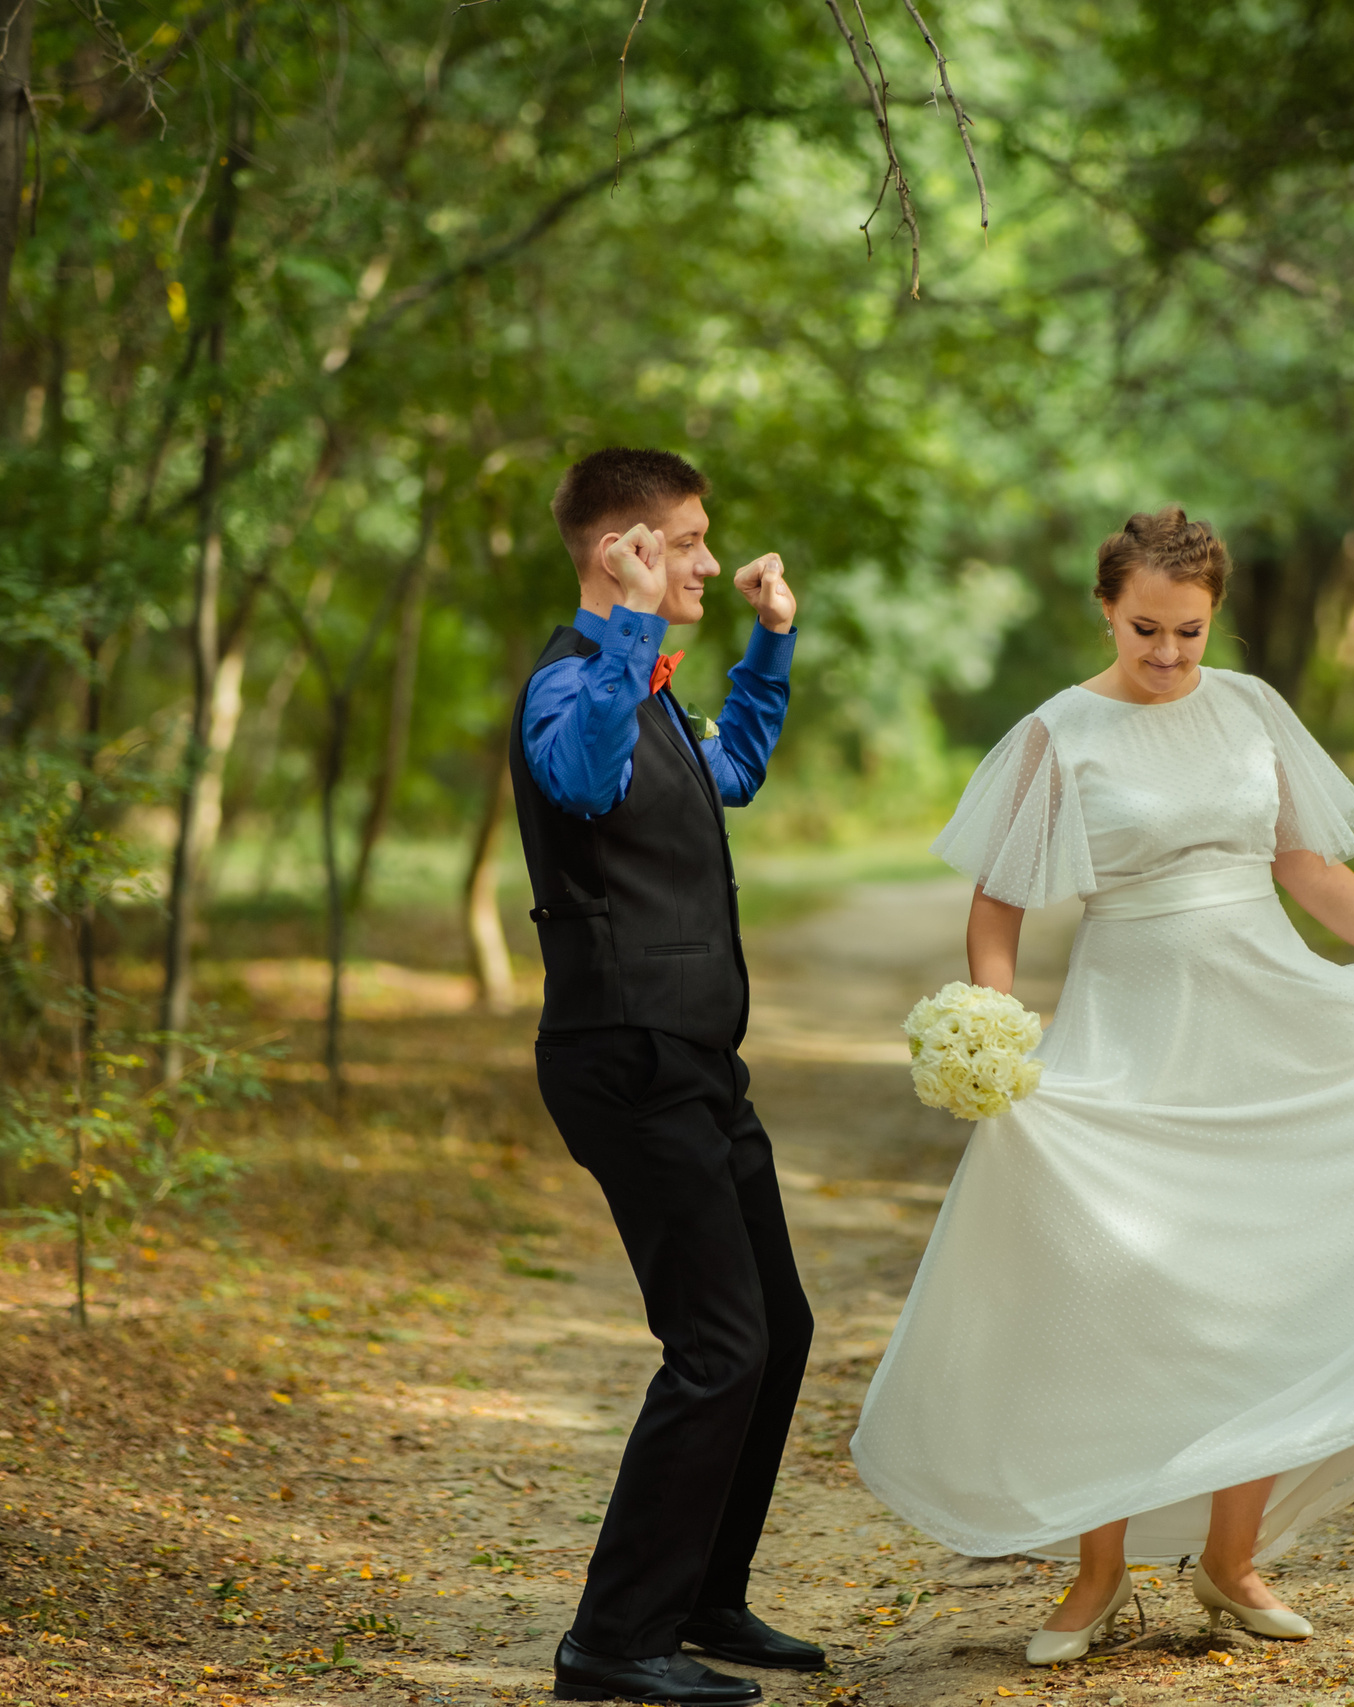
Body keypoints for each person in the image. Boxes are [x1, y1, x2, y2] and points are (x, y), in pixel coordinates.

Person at [848, 507, 1354, 1665]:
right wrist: (993, 1028)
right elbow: (1000, 903)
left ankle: (1231, 1557)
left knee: (1266, 1280)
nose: (1167, 655)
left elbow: (1311, 874)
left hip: (1267, 1009)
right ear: (1106, 611)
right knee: (1103, 1290)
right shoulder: (1057, 734)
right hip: (1131, 1024)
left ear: (1216, 616)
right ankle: (1097, 1573)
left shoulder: (1252, 709)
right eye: (1145, 630)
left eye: (1190, 632)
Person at [510, 448, 820, 1706]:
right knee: (716, 1345)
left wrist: (770, 646)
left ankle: (701, 1597)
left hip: (694, 1058)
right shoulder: (568, 683)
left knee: (776, 1332)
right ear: (620, 551)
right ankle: (612, 1639)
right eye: (687, 541)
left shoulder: (642, 683)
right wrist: (634, 628)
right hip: (623, 1055)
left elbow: (725, 773)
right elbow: (581, 780)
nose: (705, 559)